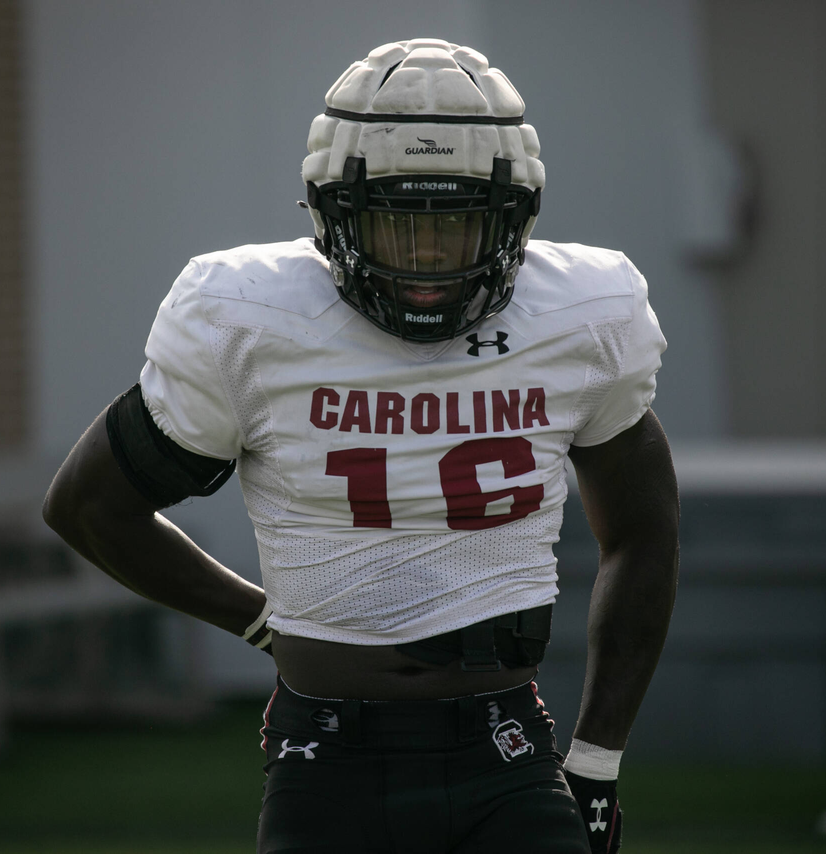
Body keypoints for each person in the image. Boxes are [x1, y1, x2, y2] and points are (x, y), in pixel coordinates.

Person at [43, 39, 678, 854]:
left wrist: (595, 760)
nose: (423, 264)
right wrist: (263, 623)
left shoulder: (582, 318)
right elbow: (90, 506)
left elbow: (644, 532)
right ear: (330, 213)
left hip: (505, 750)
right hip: (327, 756)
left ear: (513, 216)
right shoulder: (249, 322)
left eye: (452, 227)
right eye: (393, 224)